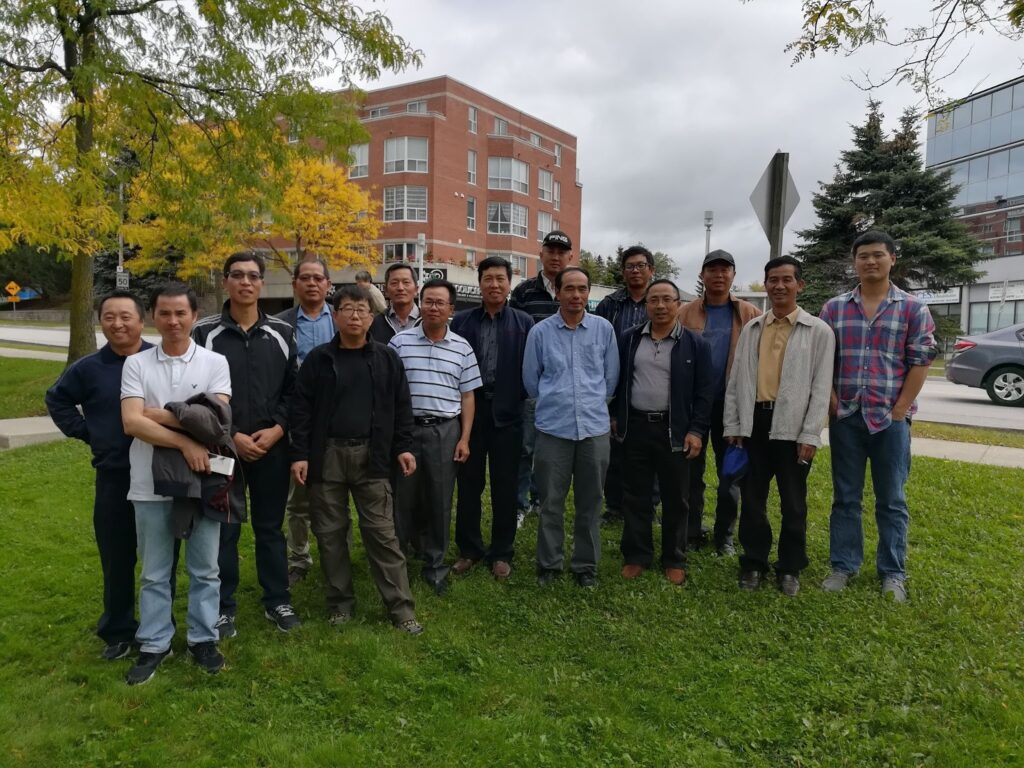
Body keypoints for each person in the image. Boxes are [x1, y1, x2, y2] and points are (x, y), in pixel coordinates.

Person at [289, 285, 423, 634]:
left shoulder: (387, 359)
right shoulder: (319, 359)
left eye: (362, 310)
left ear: (371, 317)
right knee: (330, 533)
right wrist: (300, 454)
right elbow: (301, 410)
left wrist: (403, 447)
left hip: (372, 456)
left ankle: (401, 608)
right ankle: (340, 603)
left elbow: (402, 406)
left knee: (382, 533)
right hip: (327, 455)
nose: (355, 316)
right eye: (347, 309)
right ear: (335, 316)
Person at [120, 283, 232, 685]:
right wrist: (186, 440)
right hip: (149, 482)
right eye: (164, 313)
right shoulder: (136, 364)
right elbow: (132, 423)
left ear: (194, 316)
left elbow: (215, 423)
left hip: (205, 481)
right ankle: (154, 643)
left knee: (206, 569)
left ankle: (204, 639)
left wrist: (162, 415)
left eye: (180, 313)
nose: (172, 321)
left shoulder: (215, 362)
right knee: (154, 571)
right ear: (153, 316)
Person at [819, 231, 937, 603]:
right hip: (847, 417)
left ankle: (893, 573)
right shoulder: (834, 309)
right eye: (863, 256)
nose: (870, 261)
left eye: (878, 255)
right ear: (854, 262)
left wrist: (900, 410)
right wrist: (832, 401)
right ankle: (843, 566)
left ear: (892, 259)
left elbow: (921, 362)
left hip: (890, 421)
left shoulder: (913, 309)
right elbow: (822, 361)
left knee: (892, 500)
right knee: (845, 497)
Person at [192, 252, 301, 638]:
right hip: (223, 449)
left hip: (272, 447)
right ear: (225, 281)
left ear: (261, 283)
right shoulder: (204, 334)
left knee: (270, 527)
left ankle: (277, 599)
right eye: (237, 275)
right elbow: (196, 393)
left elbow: (294, 390)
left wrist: (278, 429)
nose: (245, 282)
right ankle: (223, 606)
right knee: (225, 529)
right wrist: (232, 434)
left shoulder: (282, 332)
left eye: (253, 276)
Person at [45, 290, 153, 661]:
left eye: (126, 316)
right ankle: (118, 631)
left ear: (141, 321)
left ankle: (158, 625)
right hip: (114, 475)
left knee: (160, 558)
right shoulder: (88, 368)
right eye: (109, 317)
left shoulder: (159, 360)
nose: (118, 324)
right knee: (117, 557)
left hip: (160, 473)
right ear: (100, 322)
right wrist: (90, 432)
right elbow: (57, 398)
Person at [723, 257, 835, 596]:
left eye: (787, 279)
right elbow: (736, 380)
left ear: (800, 285)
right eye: (773, 279)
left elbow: (821, 388)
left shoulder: (818, 331)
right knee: (752, 500)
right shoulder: (753, 329)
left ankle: (789, 567)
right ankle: (753, 563)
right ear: (766, 284)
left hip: (794, 427)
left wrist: (811, 433)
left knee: (794, 503)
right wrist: (734, 424)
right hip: (754, 424)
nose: (779, 286)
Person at [611, 279, 712, 585]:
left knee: (677, 497)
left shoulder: (695, 344)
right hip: (636, 427)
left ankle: (674, 557)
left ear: (678, 304)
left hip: (675, 430)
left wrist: (696, 430)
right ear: (646, 305)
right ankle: (637, 555)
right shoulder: (629, 339)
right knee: (636, 495)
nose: (660, 306)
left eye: (667, 299)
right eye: (654, 300)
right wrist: (617, 416)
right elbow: (618, 380)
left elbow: (704, 393)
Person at [523, 267, 619, 588]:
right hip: (553, 429)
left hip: (594, 429)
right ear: (557, 292)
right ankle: (549, 564)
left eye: (582, 289)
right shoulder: (540, 333)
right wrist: (555, 403)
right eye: (569, 289)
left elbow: (611, 378)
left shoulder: (604, 330)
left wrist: (592, 404)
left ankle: (585, 566)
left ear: (588, 293)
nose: (576, 295)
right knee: (550, 502)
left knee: (590, 503)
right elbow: (531, 381)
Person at [389, 278, 481, 595]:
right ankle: (397, 563)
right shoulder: (399, 343)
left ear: (451, 309)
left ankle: (435, 565)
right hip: (407, 429)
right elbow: (388, 391)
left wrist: (464, 438)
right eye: (428, 301)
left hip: (445, 430)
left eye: (440, 302)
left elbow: (468, 396)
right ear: (421, 304)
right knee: (402, 499)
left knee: (440, 499)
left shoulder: (462, 347)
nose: (433, 307)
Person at [450, 256, 534, 580]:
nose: (494, 284)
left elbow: (532, 368)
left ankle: (502, 552)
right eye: (488, 278)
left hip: (509, 413)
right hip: (471, 411)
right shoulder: (462, 322)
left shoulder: (524, 322)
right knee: (469, 483)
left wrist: (518, 397)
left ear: (509, 283)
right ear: (480, 283)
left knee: (505, 486)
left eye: (500, 278)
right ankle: (469, 549)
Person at [678, 249, 760, 554]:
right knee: (691, 474)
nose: (719, 275)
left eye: (725, 270)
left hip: (732, 407)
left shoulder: (750, 314)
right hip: (694, 407)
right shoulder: (684, 313)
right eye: (712, 270)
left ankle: (724, 534)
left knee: (731, 475)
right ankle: (691, 531)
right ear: (702, 275)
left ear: (733, 275)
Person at [276, 257, 334, 586]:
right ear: (295, 284)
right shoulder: (280, 324)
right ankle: (298, 557)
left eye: (318, 278)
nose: (312, 283)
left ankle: (336, 555)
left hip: (336, 420)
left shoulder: (341, 318)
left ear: (328, 284)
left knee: (336, 496)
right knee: (297, 498)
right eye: (305, 278)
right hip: (296, 419)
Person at [510, 229, 573, 524]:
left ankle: (541, 499)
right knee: (525, 447)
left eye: (562, 252)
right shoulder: (523, 292)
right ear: (541, 254)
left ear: (570, 256)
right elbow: (515, 335)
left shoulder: (573, 289)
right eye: (551, 251)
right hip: (532, 384)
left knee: (551, 448)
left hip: (563, 387)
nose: (556, 257)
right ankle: (519, 503)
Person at [595, 245, 655, 524]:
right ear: (623, 271)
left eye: (641, 265)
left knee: (649, 450)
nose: (635, 271)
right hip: (616, 381)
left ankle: (648, 505)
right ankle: (615, 506)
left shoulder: (660, 299)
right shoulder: (610, 304)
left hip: (650, 381)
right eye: (630, 266)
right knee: (615, 448)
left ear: (651, 270)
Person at [369, 263, 420, 343]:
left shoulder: (427, 321)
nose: (400, 288)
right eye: (394, 283)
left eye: (406, 282)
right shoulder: (375, 322)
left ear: (416, 289)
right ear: (386, 290)